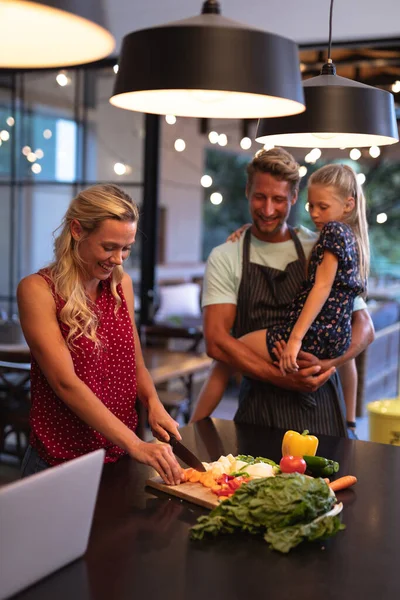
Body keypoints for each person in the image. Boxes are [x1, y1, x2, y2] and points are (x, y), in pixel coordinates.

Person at [190, 148, 375, 437]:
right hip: (257, 415)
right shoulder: (227, 255)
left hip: (324, 414)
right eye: (260, 197)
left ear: (293, 198)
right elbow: (217, 344)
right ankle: (189, 430)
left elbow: (363, 326)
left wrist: (328, 364)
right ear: (247, 192)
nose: (267, 210)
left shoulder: (321, 245)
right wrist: (284, 377)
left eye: (278, 199)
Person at [17, 184, 183, 485]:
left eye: (126, 248)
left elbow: (135, 362)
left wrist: (153, 402)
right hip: (61, 461)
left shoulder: (122, 286)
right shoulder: (38, 290)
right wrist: (136, 443)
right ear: (78, 230)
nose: (118, 259)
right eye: (109, 247)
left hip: (118, 455)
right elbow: (65, 383)